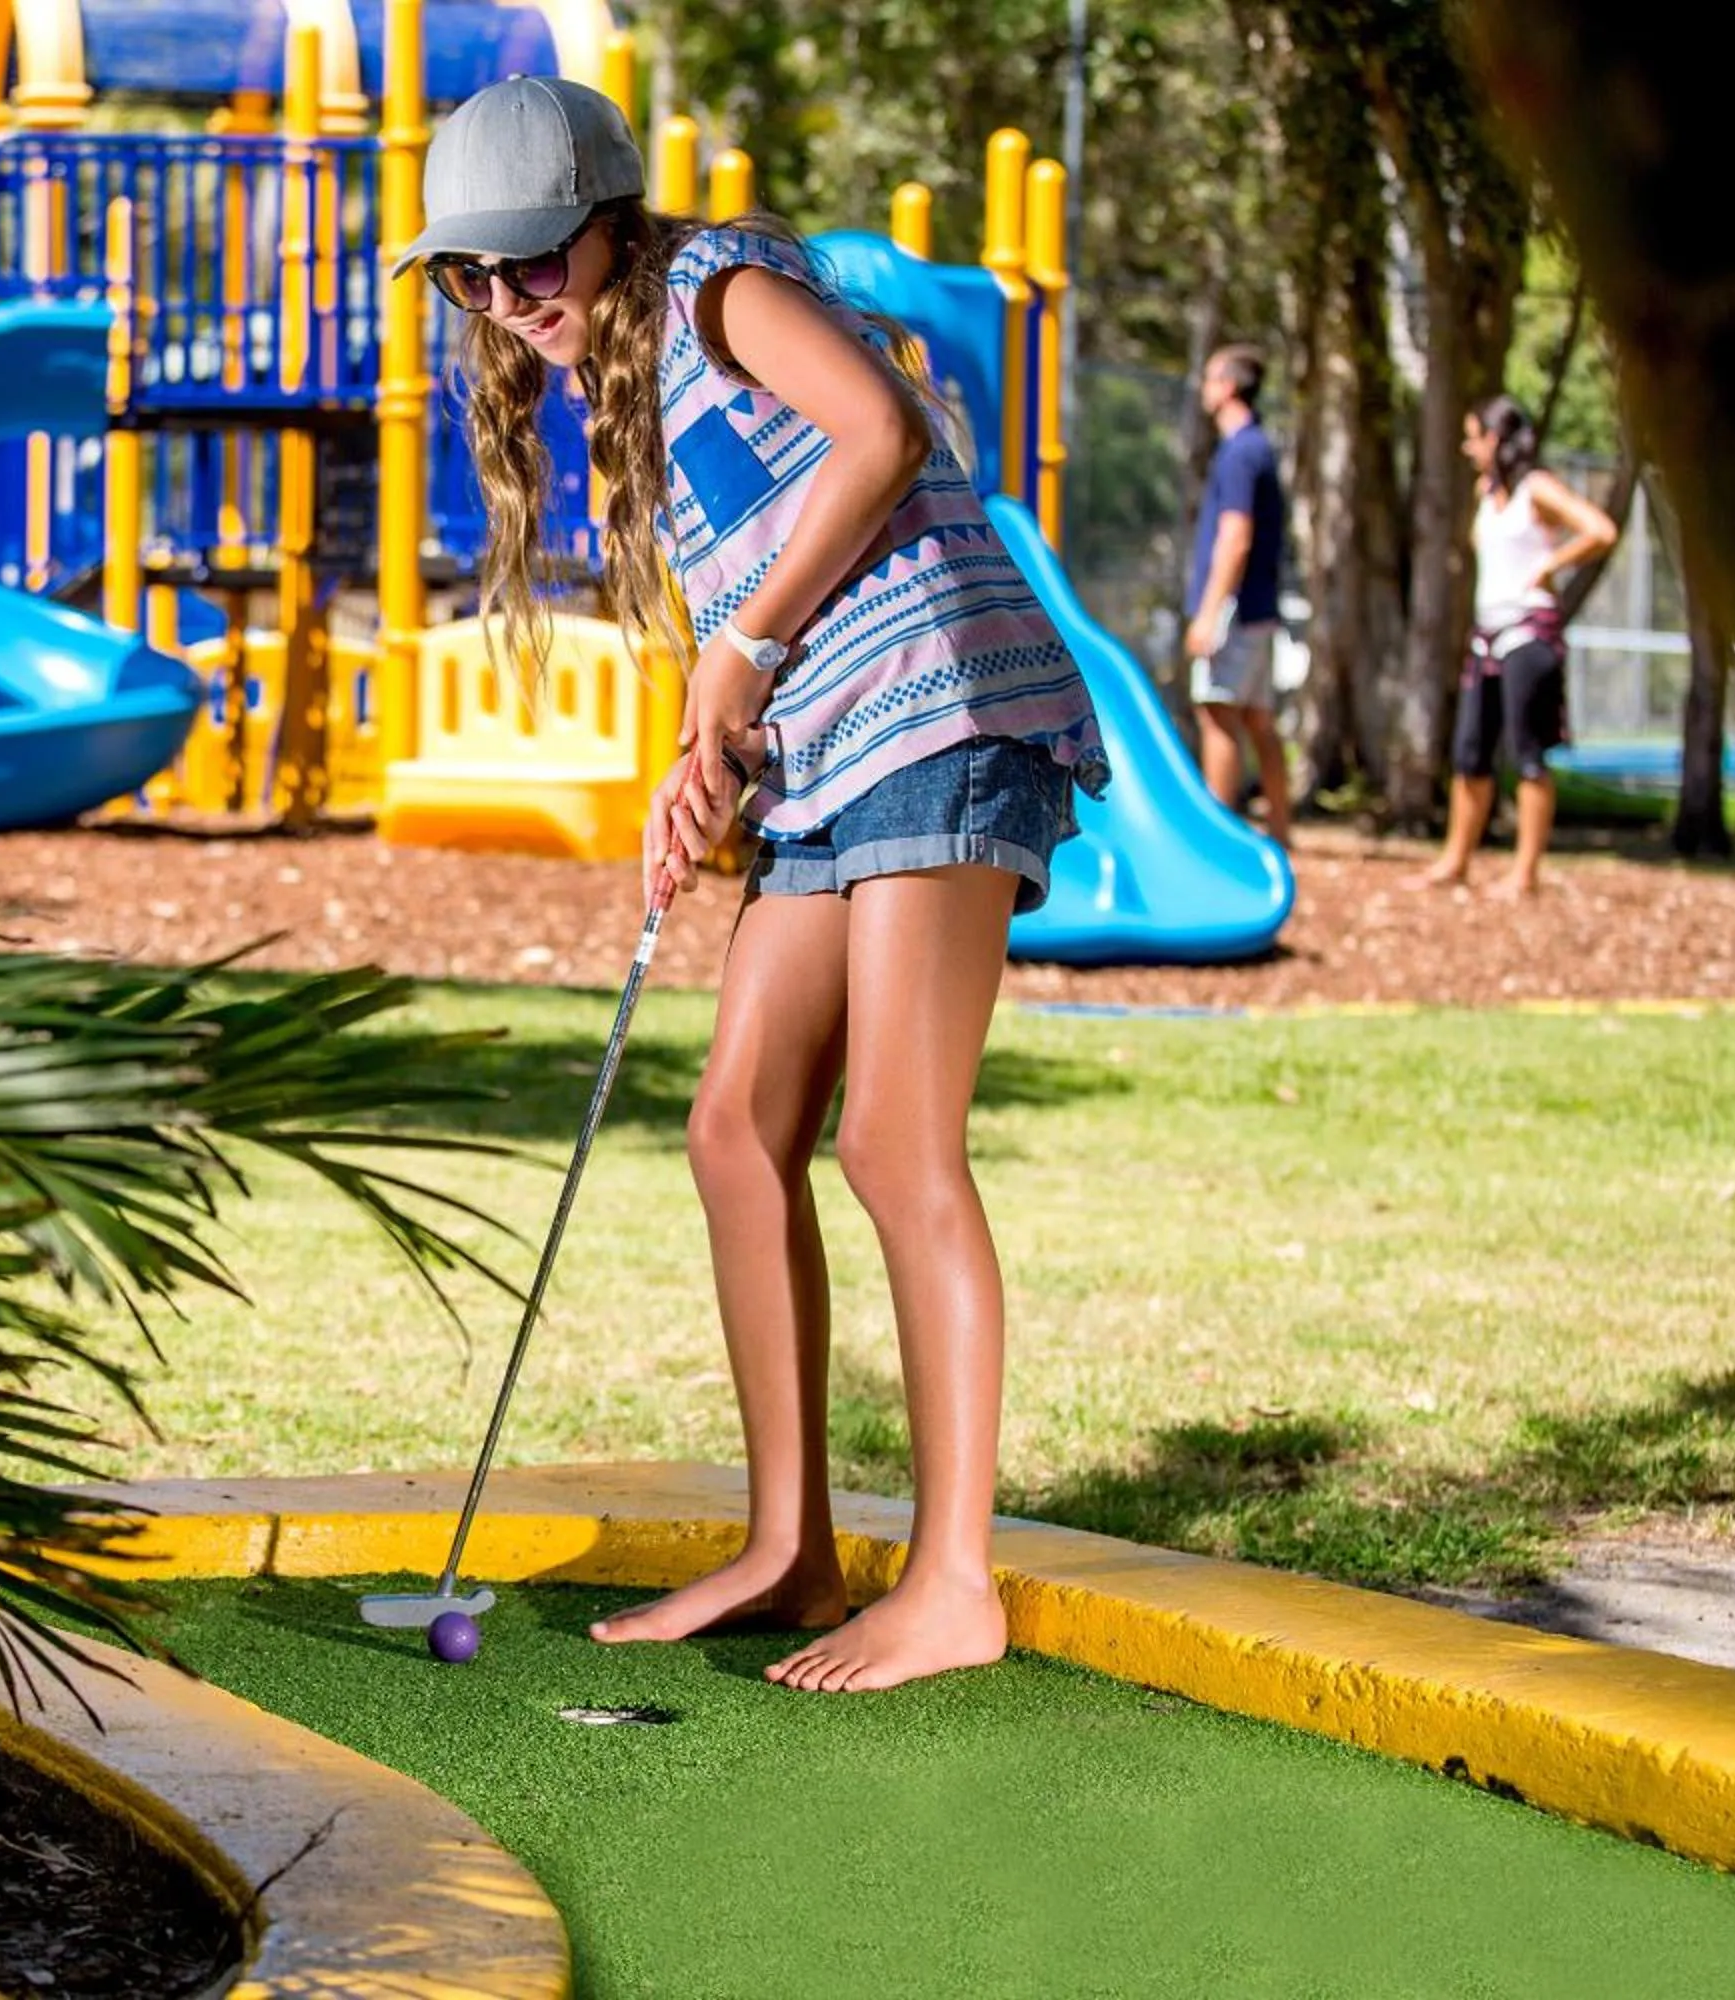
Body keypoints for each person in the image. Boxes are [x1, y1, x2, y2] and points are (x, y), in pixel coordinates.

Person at [397, 77, 1108, 1693]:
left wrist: (746, 652)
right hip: (830, 757)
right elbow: (750, 602)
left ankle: (955, 1584)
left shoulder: (718, 286)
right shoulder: (623, 389)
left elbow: (885, 435)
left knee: (895, 1144)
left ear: (611, 227)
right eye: (473, 279)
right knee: (733, 1127)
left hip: (941, 714)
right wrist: (700, 756)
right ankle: (792, 1548)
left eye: (534, 263)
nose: (510, 301)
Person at [1414, 395, 1617, 898]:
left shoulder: (1536, 488)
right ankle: (1455, 861)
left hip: (1528, 633)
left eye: (1473, 438)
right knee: (1470, 751)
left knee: (1527, 754)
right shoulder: (1487, 492)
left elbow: (1600, 530)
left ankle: (1525, 874)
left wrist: (1552, 565)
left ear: (1496, 439)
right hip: (1488, 634)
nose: (1467, 448)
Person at [1181, 344, 1292, 846]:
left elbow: (1235, 536)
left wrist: (1209, 613)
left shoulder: (1239, 452)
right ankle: (1281, 831)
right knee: (1258, 719)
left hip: (1236, 609)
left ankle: (1218, 840)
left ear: (1227, 387)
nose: (1203, 388)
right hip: (1259, 608)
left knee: (1218, 713)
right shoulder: (1257, 446)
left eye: (1209, 378)